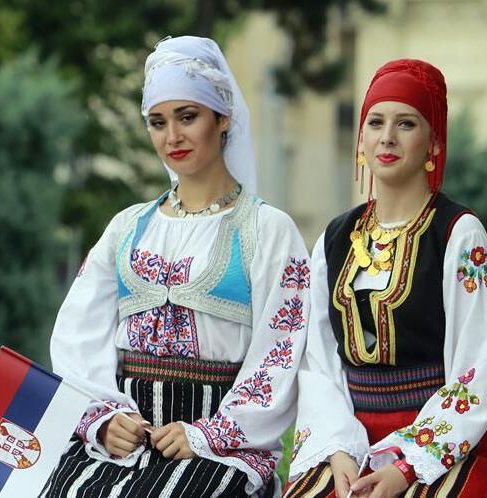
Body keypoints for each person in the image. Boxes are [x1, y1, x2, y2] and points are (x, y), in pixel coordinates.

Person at [42, 36, 309, 498]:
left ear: (223, 118)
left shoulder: (268, 230)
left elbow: (280, 351)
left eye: (188, 117)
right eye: (157, 122)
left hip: (219, 446)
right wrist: (103, 419)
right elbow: (77, 336)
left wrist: (208, 434)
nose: (172, 137)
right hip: (123, 438)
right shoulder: (128, 227)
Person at [284, 59, 487, 498]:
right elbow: (317, 360)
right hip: (351, 436)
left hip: (441, 438)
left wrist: (406, 466)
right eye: (376, 122)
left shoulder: (457, 233)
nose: (387, 137)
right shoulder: (335, 238)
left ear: (433, 142)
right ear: (361, 138)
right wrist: (337, 449)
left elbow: (473, 368)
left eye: (406, 123)